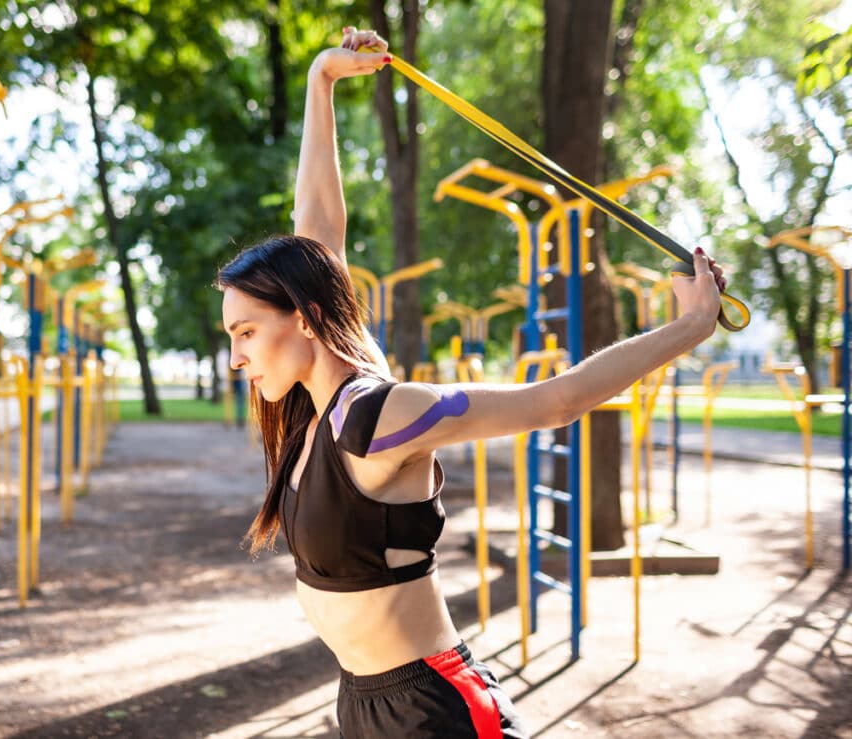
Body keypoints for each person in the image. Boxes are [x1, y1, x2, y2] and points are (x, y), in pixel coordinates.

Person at [216, 27, 726, 739]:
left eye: (244, 332)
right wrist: (321, 81)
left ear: (303, 319)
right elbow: (319, 234)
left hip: (432, 708)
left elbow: (557, 400)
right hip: (363, 704)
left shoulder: (380, 416)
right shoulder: (311, 411)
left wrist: (690, 326)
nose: (237, 356)